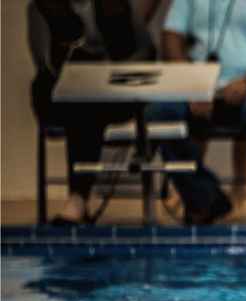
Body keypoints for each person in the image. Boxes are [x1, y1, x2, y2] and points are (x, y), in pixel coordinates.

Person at [146, 0, 246, 224]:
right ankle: (205, 200)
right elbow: (171, 35)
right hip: (205, 90)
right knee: (159, 111)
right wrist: (193, 83)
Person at [28, 0, 153, 226]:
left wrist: (111, 71)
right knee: (82, 104)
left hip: (110, 90)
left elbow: (145, 52)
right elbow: (45, 64)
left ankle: (77, 199)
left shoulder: (117, 6)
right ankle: (78, 199)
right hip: (60, 92)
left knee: (89, 104)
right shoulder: (42, 7)